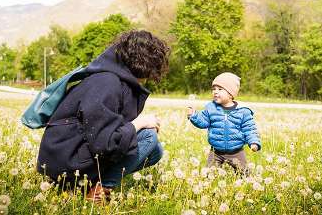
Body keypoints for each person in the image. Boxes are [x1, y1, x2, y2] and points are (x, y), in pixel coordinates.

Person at [37, 30, 169, 202]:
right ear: (145, 63)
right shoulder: (107, 82)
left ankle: (91, 183)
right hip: (66, 160)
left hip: (73, 151)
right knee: (148, 136)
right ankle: (100, 190)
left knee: (155, 151)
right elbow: (104, 143)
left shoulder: (114, 78)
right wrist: (140, 123)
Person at [187, 72, 261, 172]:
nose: (215, 92)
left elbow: (249, 129)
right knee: (209, 174)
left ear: (231, 94)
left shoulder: (243, 111)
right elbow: (203, 122)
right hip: (216, 151)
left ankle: (245, 184)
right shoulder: (211, 108)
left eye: (220, 89)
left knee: (243, 173)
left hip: (236, 151)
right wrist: (194, 115)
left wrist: (254, 142)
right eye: (214, 89)